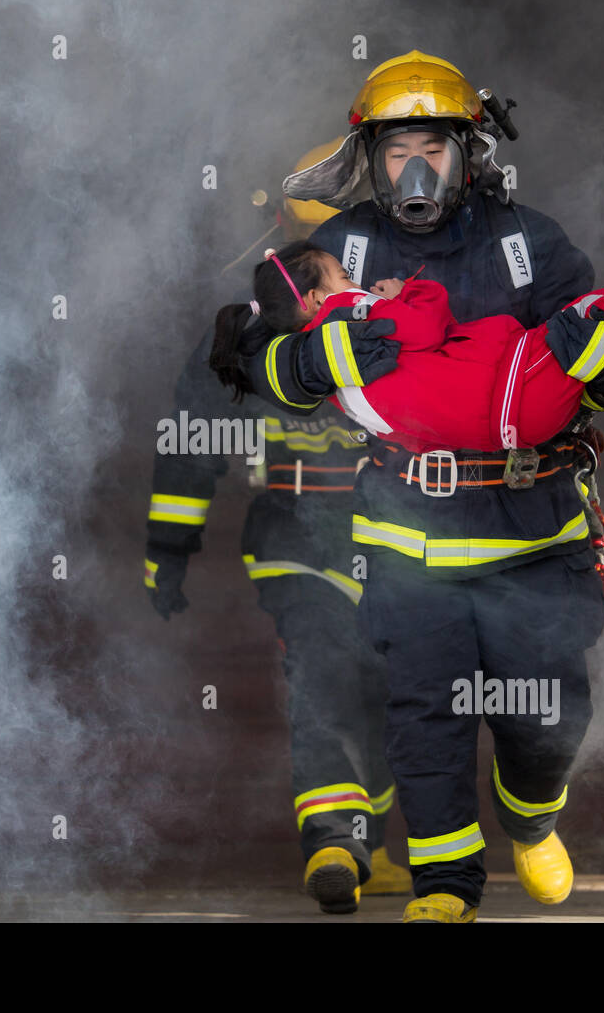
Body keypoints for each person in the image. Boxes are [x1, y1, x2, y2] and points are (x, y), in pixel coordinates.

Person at [220, 50, 604, 922]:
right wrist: (309, 357)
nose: (415, 170)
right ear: (367, 159)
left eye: (434, 150)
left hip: (536, 524)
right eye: (397, 150)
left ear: (471, 151)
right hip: (409, 539)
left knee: (547, 716)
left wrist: (593, 376)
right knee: (426, 718)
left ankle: (533, 819)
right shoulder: (338, 249)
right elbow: (255, 360)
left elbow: (597, 361)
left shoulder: (533, 244)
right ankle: (448, 889)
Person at [143, 151, 410, 914]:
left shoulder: (409, 312)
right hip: (297, 539)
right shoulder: (244, 333)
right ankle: (334, 836)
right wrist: (169, 547)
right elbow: (194, 438)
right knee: (325, 677)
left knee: (395, 695)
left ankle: (374, 838)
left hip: (407, 545)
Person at [212, 242, 604, 485]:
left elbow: (415, 423)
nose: (352, 280)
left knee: (599, 327)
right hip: (516, 389)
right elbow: (429, 327)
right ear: (313, 298)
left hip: (509, 423)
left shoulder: (342, 389)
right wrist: (407, 290)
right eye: (340, 273)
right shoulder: (347, 311)